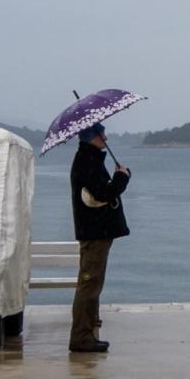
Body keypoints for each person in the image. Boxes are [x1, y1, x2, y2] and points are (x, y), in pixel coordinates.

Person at [68, 123, 130, 354]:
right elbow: (103, 193)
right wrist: (121, 179)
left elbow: (102, 190)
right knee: (89, 284)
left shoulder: (90, 159)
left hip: (97, 231)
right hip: (95, 232)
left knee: (92, 283)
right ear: (91, 137)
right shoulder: (87, 161)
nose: (106, 136)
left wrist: (117, 177)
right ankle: (81, 336)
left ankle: (89, 329)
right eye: (101, 133)